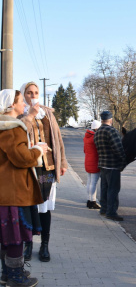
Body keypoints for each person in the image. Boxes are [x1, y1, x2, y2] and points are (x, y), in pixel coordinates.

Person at [0, 89, 48, 287]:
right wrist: (38, 149)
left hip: (7, 192)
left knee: (7, 238)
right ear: (12, 105)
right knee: (14, 238)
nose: (24, 106)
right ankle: (16, 277)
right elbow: (21, 158)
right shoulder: (12, 128)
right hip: (14, 193)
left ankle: (7, 274)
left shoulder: (5, 127)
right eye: (21, 102)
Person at [19, 81, 68, 263]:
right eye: (29, 92)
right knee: (30, 206)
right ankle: (28, 243)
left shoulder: (47, 113)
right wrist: (30, 115)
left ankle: (45, 245)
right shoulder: (21, 113)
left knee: (45, 207)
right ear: (24, 94)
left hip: (47, 167)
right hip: (29, 167)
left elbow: (58, 138)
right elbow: (21, 132)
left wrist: (62, 162)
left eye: (35, 92)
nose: (33, 95)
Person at [94, 111, 126, 221]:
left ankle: (104, 209)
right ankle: (111, 212)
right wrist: (123, 158)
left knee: (104, 188)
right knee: (113, 189)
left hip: (102, 164)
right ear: (111, 120)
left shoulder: (98, 132)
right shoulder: (111, 131)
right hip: (113, 165)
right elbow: (118, 148)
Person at [84, 120, 101, 209]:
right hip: (95, 161)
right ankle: (92, 201)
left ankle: (88, 200)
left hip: (88, 161)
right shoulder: (95, 137)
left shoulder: (86, 137)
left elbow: (84, 150)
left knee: (89, 182)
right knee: (93, 183)